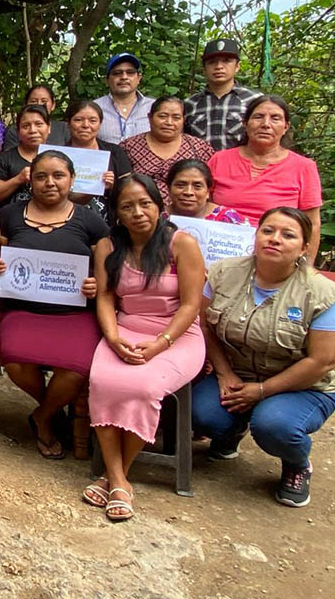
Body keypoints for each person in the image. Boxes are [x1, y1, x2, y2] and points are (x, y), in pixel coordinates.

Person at [193, 207, 335, 507]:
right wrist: (224, 373)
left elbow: (324, 361)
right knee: (201, 415)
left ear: (303, 248)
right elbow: (205, 326)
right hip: (238, 376)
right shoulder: (223, 273)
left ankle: (297, 464)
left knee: (274, 427)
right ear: (256, 235)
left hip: (303, 388)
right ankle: (231, 431)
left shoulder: (322, 294)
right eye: (268, 231)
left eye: (288, 235)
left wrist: (263, 390)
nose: (275, 239)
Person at [85, 174, 206, 521]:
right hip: (125, 330)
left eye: (145, 204)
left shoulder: (182, 244)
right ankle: (118, 478)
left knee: (144, 387)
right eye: (127, 207)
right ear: (117, 213)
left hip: (177, 336)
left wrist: (161, 343)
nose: (137, 213)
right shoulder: (108, 246)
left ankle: (114, 478)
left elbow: (191, 305)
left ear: (159, 206)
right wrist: (112, 337)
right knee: (103, 381)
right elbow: (105, 297)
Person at [0, 151, 109, 459]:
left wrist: (96, 284)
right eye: (41, 176)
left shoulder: (90, 220)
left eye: (58, 175)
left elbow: (106, 272)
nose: (50, 183)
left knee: (76, 369)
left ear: (72, 179)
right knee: (16, 362)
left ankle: (43, 416)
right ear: (30, 181)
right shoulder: (9, 216)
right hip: (22, 310)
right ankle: (53, 408)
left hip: (73, 313)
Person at [207, 95, 321, 257]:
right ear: (245, 123)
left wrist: (306, 266)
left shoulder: (304, 167)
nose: (266, 124)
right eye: (258, 117)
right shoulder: (219, 160)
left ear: (286, 127)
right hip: (220, 250)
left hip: (277, 253)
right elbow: (200, 206)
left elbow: (312, 224)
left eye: (275, 118)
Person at [120, 96, 213, 201]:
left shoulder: (199, 147)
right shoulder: (129, 147)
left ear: (183, 120)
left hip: (189, 208)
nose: (169, 122)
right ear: (150, 117)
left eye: (176, 117)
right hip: (140, 208)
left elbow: (212, 186)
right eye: (162, 116)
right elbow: (121, 186)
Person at [184, 39, 261, 151]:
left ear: (237, 66)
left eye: (226, 61)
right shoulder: (190, 104)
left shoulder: (255, 100)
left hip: (242, 162)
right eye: (212, 62)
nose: (219, 66)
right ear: (204, 68)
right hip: (199, 162)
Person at [64, 99, 133, 221]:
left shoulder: (114, 152)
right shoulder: (58, 155)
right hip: (67, 217)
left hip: (110, 218)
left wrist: (114, 185)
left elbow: (129, 189)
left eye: (92, 121)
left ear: (100, 124)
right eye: (78, 120)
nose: (85, 125)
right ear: (68, 123)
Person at [0, 105, 51, 210]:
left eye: (38, 124)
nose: (32, 130)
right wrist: (18, 179)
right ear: (18, 132)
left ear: (49, 128)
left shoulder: (60, 159)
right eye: (26, 126)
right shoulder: (5, 158)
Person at [165, 159, 250, 225]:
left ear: (208, 191)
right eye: (180, 185)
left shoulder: (229, 219)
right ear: (169, 189)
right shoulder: (159, 217)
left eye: (197, 186)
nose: (188, 192)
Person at [94, 53, 154, 143]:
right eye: (117, 73)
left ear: (139, 78)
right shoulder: (94, 108)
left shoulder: (154, 107)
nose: (124, 77)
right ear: (107, 80)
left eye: (130, 72)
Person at [5, 84, 70, 148]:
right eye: (33, 101)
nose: (39, 104)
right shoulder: (14, 131)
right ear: (26, 104)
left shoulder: (64, 128)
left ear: (53, 105)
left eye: (44, 101)